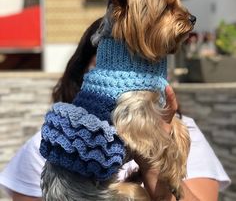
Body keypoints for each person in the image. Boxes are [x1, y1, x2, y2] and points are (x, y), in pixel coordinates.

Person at [0, 18, 230, 201]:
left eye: (138, 65)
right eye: (108, 64)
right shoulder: (51, 146)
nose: (129, 77)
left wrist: (152, 166)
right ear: (84, 72)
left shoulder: (185, 133)